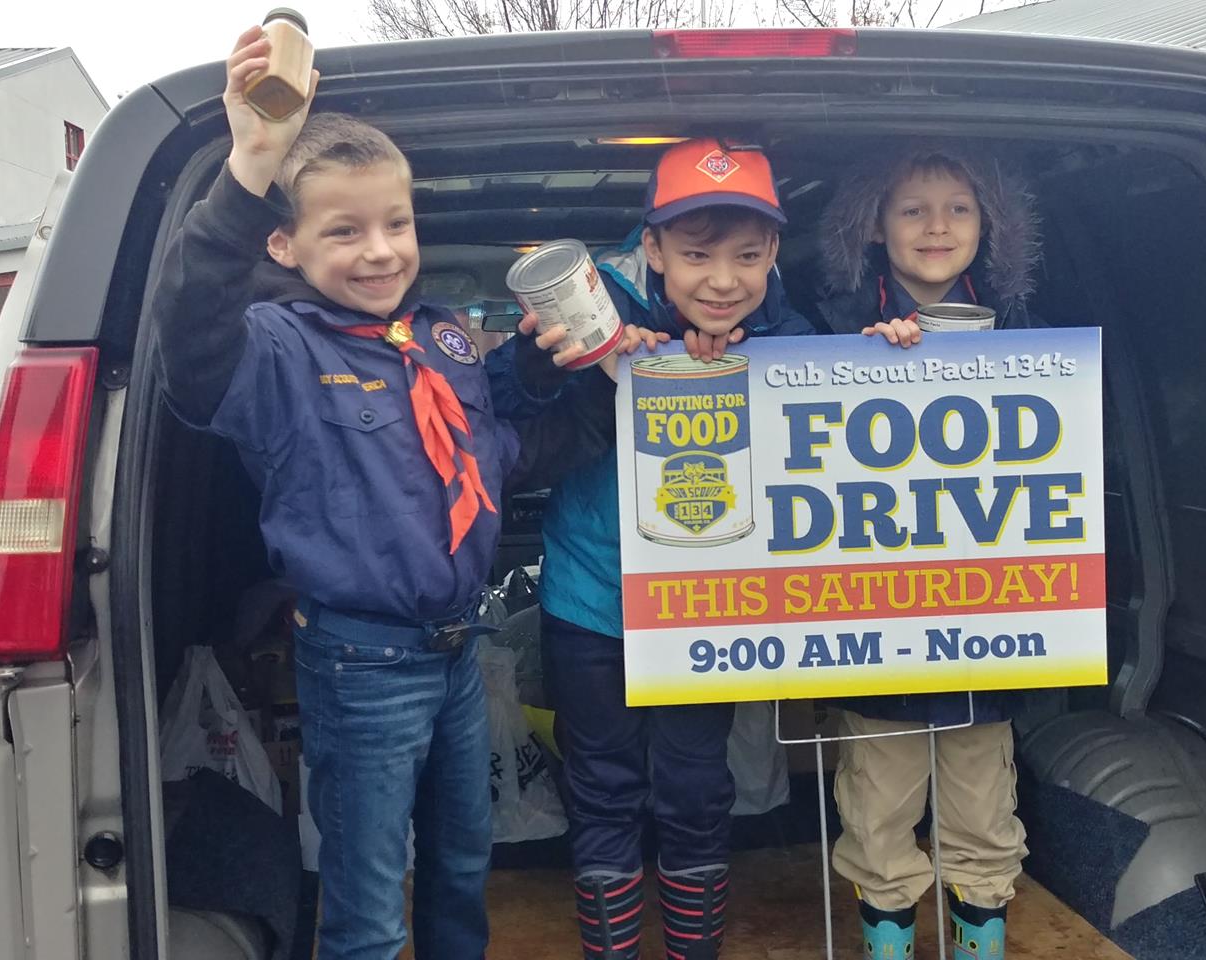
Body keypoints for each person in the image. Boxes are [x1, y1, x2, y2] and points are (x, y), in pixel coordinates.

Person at [146, 26, 655, 959]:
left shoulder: (442, 337)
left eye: (396, 224)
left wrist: (591, 382)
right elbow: (191, 340)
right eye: (344, 231)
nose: (380, 252)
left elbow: (503, 454)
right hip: (362, 664)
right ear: (284, 244)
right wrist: (249, 163)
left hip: (459, 651)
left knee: (463, 867)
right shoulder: (276, 350)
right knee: (371, 902)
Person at [485, 137, 815, 960]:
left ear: (774, 252)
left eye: (747, 256)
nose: (723, 279)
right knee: (602, 788)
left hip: (707, 607)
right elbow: (501, 411)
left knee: (696, 788)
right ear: (656, 250)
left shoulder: (792, 333)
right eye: (697, 254)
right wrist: (545, 362)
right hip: (591, 602)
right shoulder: (594, 313)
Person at [812, 140, 1044, 960]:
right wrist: (860, 363)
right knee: (877, 818)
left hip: (987, 630)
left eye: (959, 209)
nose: (937, 227)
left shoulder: (1028, 328)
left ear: (990, 223)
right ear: (876, 225)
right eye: (913, 209)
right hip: (874, 632)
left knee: (984, 817)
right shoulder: (829, 325)